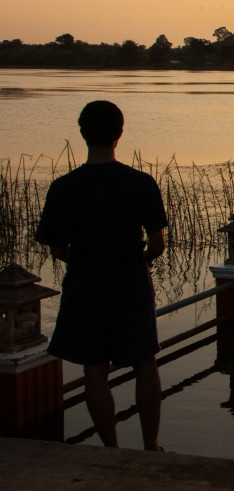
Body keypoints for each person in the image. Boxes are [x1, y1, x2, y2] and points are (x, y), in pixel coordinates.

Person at [35, 100, 168, 450]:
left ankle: (110, 448)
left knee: (94, 369)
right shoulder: (140, 182)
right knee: (144, 364)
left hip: (84, 289)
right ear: (119, 134)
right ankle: (150, 445)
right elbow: (157, 243)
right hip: (131, 287)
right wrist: (140, 261)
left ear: (82, 133)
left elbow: (58, 249)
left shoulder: (63, 188)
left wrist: (85, 259)